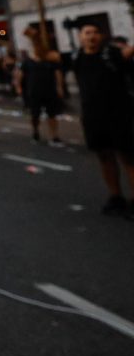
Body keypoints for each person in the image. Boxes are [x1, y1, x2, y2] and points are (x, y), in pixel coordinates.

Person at [63, 24, 134, 216]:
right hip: (94, 117)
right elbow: (46, 55)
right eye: (87, 33)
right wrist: (35, 38)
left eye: (95, 32)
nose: (91, 36)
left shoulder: (111, 54)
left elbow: (128, 53)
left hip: (120, 115)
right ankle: (116, 197)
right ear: (80, 37)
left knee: (128, 157)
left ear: (101, 36)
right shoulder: (76, 57)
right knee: (104, 157)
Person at [14, 27, 66, 147]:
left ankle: (54, 136)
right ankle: (35, 131)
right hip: (34, 91)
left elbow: (58, 74)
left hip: (49, 91)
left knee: (52, 114)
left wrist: (59, 87)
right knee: (35, 115)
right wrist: (18, 87)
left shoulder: (51, 59)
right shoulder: (27, 61)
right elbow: (20, 75)